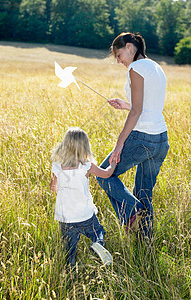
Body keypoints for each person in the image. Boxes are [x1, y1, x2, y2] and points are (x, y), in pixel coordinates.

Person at [97, 32, 169, 240]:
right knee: (145, 192)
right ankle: (146, 243)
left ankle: (132, 211)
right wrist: (125, 105)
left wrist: (119, 145)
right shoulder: (155, 66)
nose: (119, 61)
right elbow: (146, 106)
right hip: (160, 139)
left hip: (143, 137)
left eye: (119, 55)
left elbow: (137, 112)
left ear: (129, 47)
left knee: (104, 173)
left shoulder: (135, 68)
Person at [50, 127, 117, 267]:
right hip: (85, 215)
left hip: (65, 217)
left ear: (65, 145)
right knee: (98, 232)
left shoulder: (57, 167)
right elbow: (106, 174)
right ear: (85, 147)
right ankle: (97, 244)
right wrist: (113, 163)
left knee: (69, 247)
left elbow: (53, 187)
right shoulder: (86, 166)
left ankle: (70, 268)